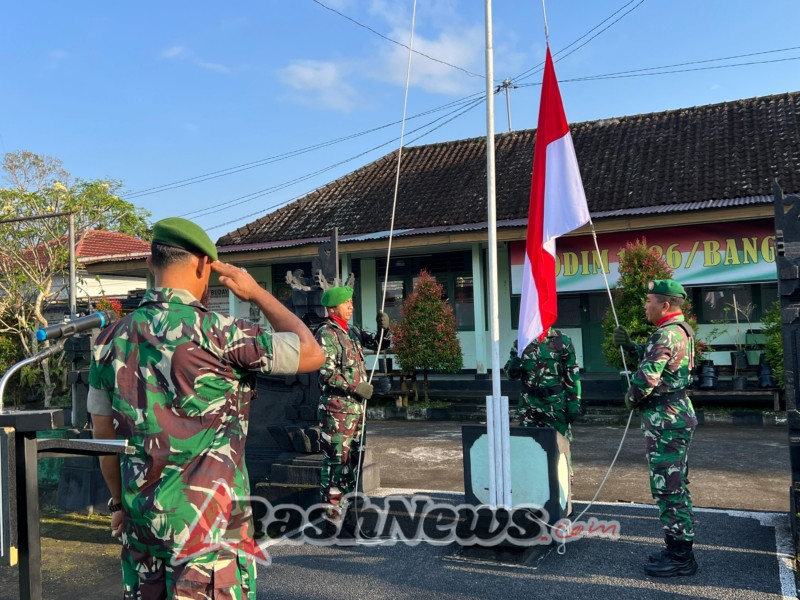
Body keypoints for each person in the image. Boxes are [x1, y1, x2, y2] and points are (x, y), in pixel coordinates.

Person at [88, 217, 325, 599]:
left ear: (151, 264)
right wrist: (258, 295)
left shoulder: (108, 341)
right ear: (203, 265)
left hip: (144, 527)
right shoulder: (223, 333)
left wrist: (119, 503)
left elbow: (103, 437)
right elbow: (312, 352)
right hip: (212, 531)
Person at [612, 278, 698, 578]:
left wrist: (631, 397)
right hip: (675, 416)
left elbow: (648, 379)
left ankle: (681, 558)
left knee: (668, 488)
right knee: (674, 486)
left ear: (664, 305)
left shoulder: (665, 335)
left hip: (666, 420)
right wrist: (633, 347)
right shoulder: (679, 331)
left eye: (649, 301)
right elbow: (666, 366)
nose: (645, 306)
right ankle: (677, 546)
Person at [315, 285, 389, 528]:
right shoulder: (327, 333)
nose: (351, 306)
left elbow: (380, 345)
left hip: (357, 412)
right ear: (333, 306)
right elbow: (327, 372)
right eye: (347, 303)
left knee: (352, 464)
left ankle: (347, 516)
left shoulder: (352, 331)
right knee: (336, 464)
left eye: (351, 302)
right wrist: (355, 386)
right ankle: (331, 520)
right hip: (337, 412)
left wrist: (384, 328)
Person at [503, 327, 582, 442]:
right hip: (529, 404)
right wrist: (513, 369)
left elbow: (572, 374)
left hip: (555, 404)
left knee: (560, 447)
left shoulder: (562, 341)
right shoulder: (522, 342)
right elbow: (509, 374)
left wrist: (574, 404)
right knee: (527, 445)